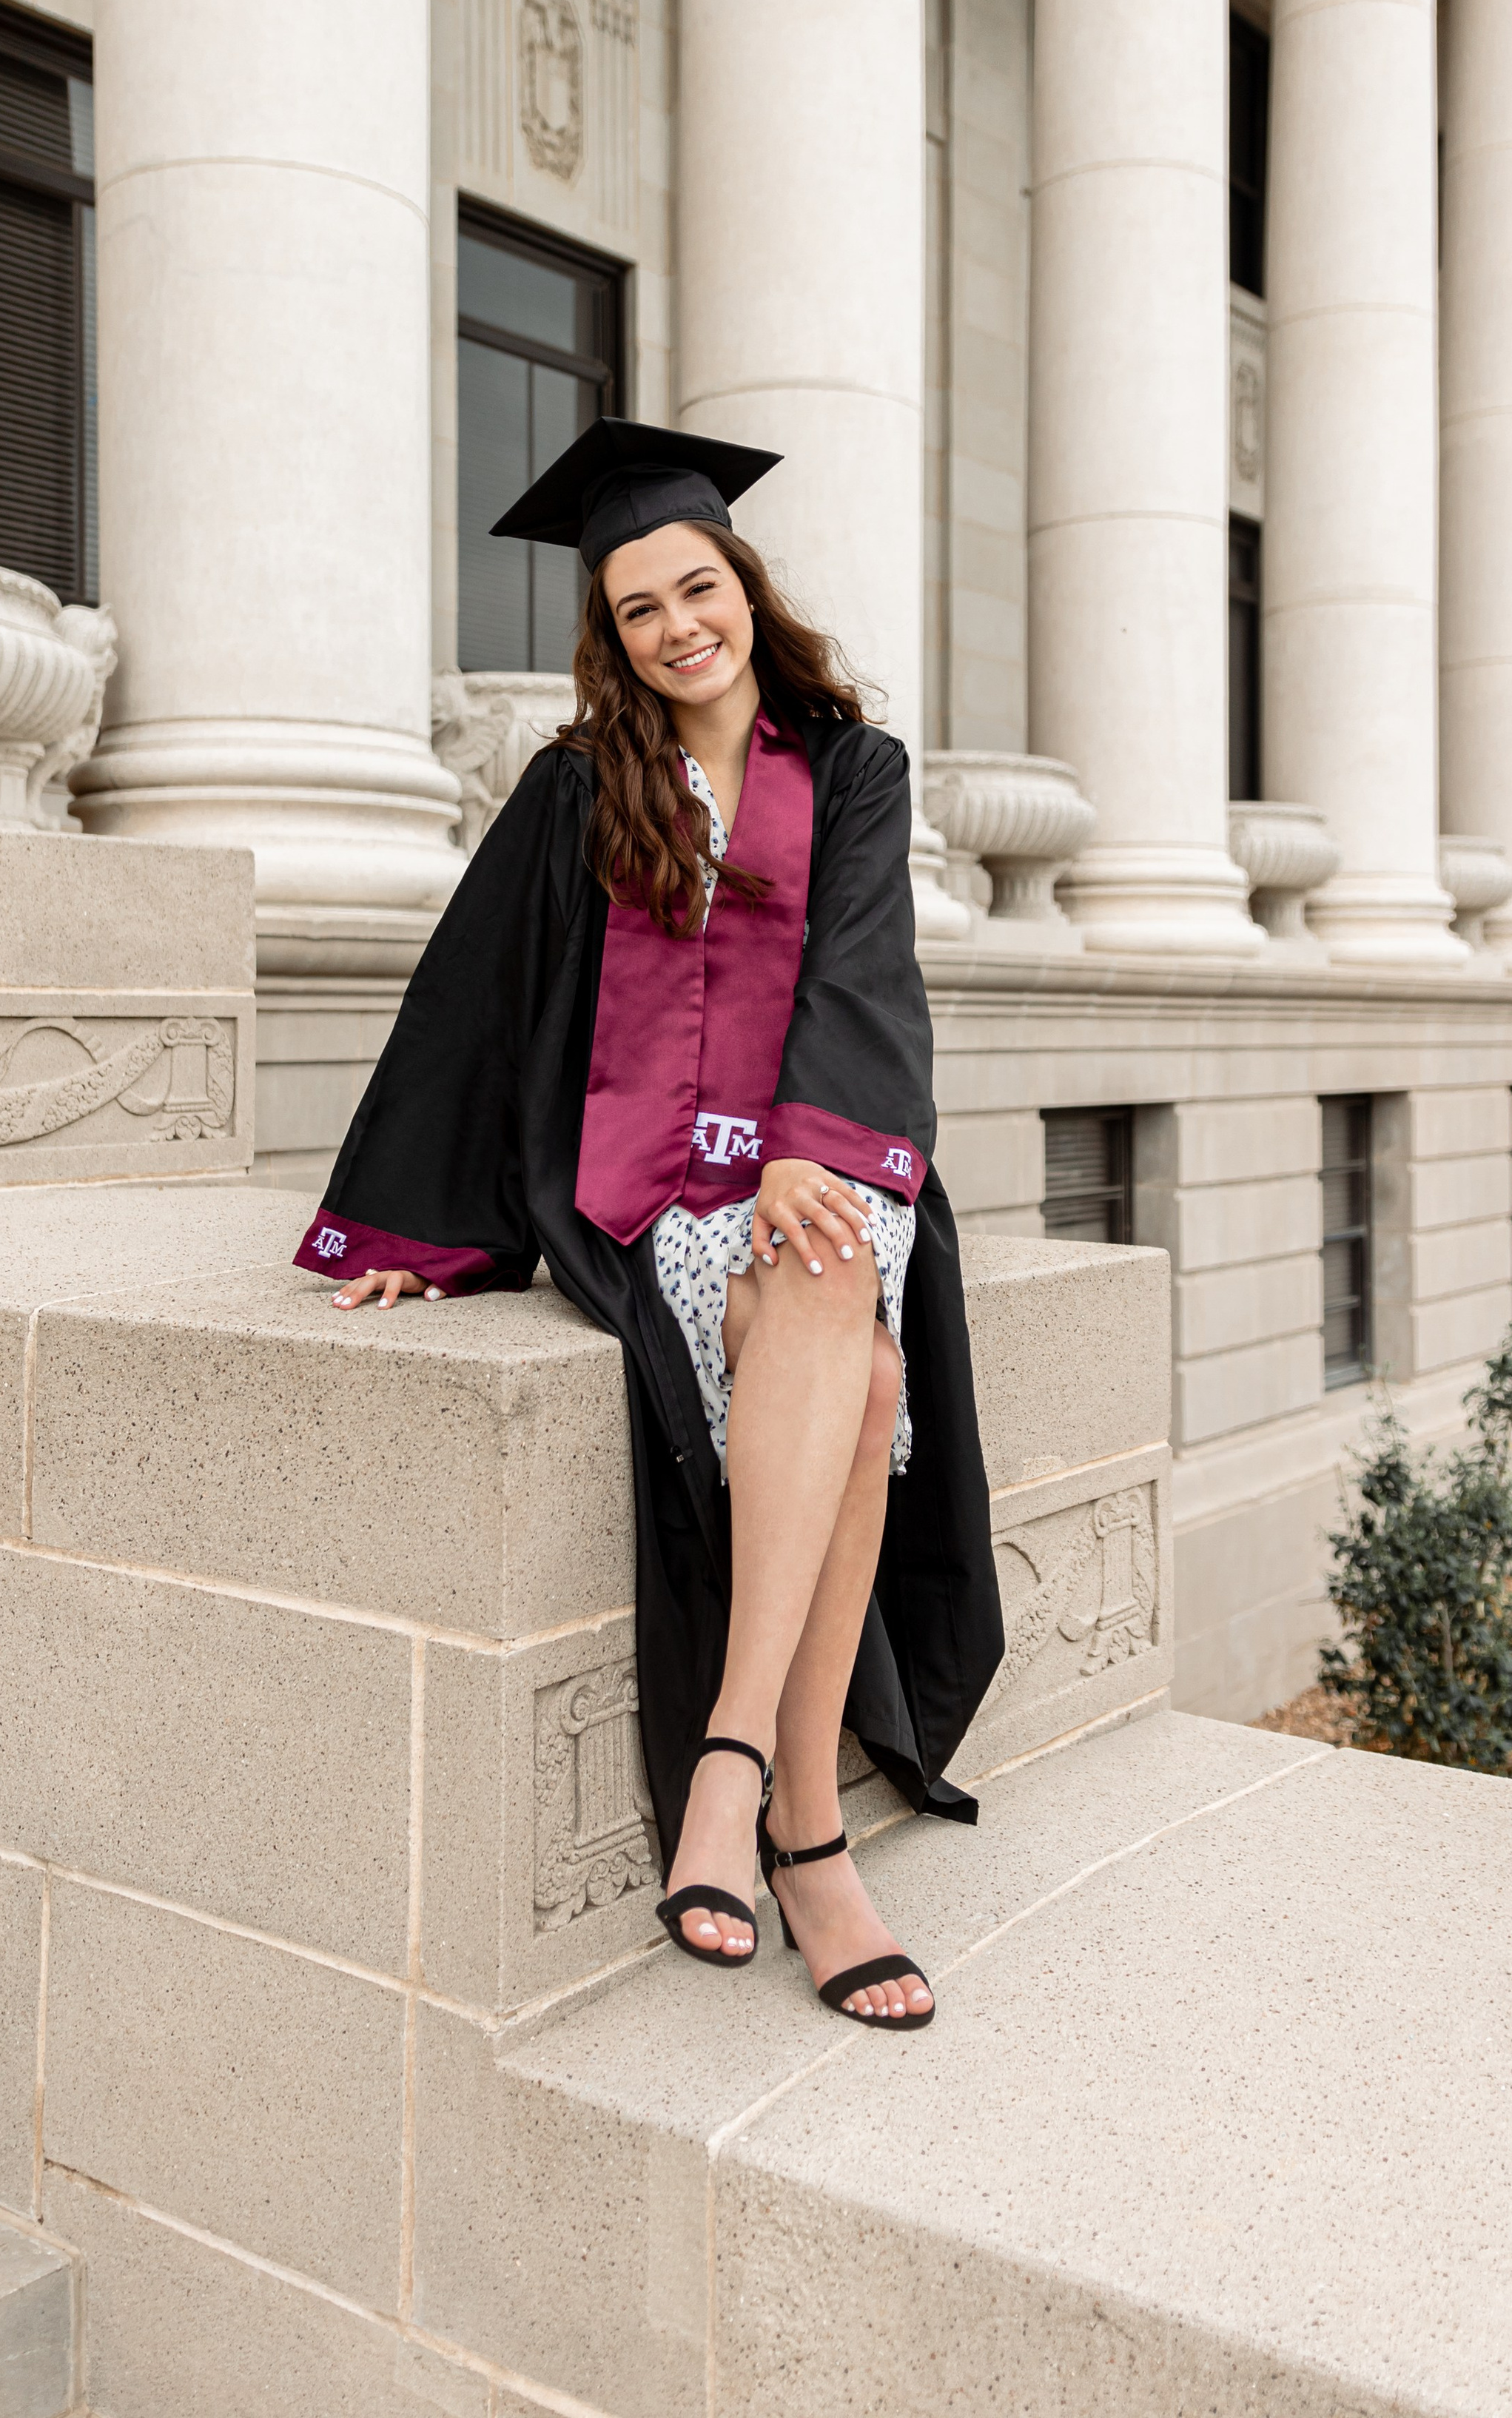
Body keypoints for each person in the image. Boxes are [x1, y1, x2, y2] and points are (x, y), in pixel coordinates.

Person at [295, 419, 1003, 2030]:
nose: (679, 623)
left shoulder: (849, 773)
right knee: (861, 1376)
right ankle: (805, 1831)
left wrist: (809, 1149)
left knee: (826, 1279)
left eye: (699, 587)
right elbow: (478, 1000)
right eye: (639, 608)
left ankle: (735, 1770)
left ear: (744, 586)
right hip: (641, 1192)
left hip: (817, 1164)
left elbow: (865, 975)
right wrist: (430, 1227)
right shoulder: (575, 788)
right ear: (609, 637)